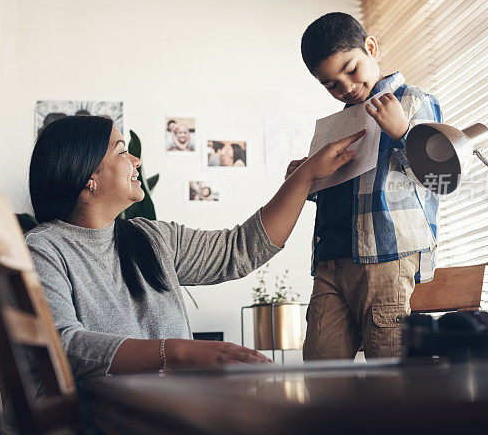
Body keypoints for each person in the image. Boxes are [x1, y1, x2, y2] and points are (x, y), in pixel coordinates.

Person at [24, 114, 363, 378]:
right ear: (88, 177)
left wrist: (304, 178)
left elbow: (240, 249)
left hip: (160, 417)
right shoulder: (44, 248)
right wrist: (179, 352)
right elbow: (61, 344)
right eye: (122, 151)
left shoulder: (151, 238)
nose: (136, 161)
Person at [291, 12, 443, 361]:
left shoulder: (414, 101)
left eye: (351, 69)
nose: (345, 87)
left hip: (386, 256)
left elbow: (438, 178)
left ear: (370, 48)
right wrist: (307, 176)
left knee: (387, 368)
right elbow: (339, 190)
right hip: (330, 260)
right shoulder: (339, 123)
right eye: (330, 84)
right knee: (319, 363)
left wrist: (403, 133)